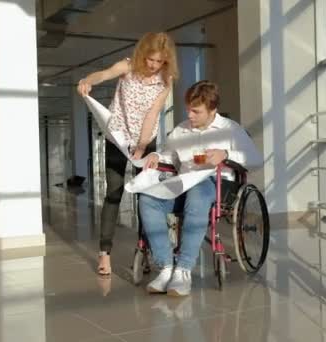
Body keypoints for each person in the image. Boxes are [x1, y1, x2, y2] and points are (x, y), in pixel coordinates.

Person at [139, 80, 262, 296]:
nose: (190, 115)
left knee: (198, 194)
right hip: (183, 182)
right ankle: (167, 267)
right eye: (188, 109)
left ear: (212, 109)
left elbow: (255, 159)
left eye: (196, 111)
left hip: (216, 184)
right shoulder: (181, 130)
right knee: (148, 199)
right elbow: (171, 155)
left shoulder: (230, 130)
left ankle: (184, 269)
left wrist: (226, 154)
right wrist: (156, 155)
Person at [77, 32, 179, 276]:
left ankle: (145, 250)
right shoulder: (128, 66)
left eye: (160, 62)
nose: (154, 66)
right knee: (114, 191)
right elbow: (102, 74)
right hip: (117, 138)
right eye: (151, 60)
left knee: (146, 196)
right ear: (142, 53)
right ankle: (105, 253)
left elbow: (153, 114)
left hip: (145, 141)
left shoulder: (166, 80)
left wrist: (143, 147)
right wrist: (87, 80)